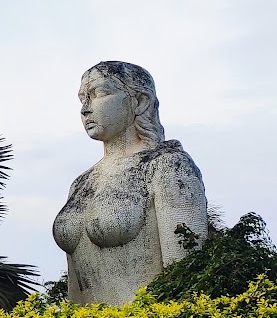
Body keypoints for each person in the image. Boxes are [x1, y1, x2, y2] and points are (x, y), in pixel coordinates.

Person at [52, 61, 210, 305]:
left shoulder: (167, 165)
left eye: (100, 94)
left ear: (139, 102)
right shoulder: (80, 183)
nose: (85, 109)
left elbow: (186, 275)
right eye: (83, 98)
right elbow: (75, 290)